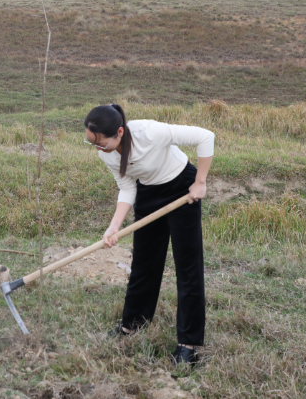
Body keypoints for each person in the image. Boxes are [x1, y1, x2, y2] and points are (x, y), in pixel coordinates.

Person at [84, 103, 214, 367]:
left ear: (120, 131)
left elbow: (205, 137)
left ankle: (188, 344)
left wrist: (200, 182)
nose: (98, 149)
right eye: (92, 144)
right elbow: (126, 187)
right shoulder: (106, 154)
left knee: (187, 268)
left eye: (101, 143)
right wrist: (114, 226)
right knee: (144, 263)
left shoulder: (150, 132)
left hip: (181, 189)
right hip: (148, 195)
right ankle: (132, 324)